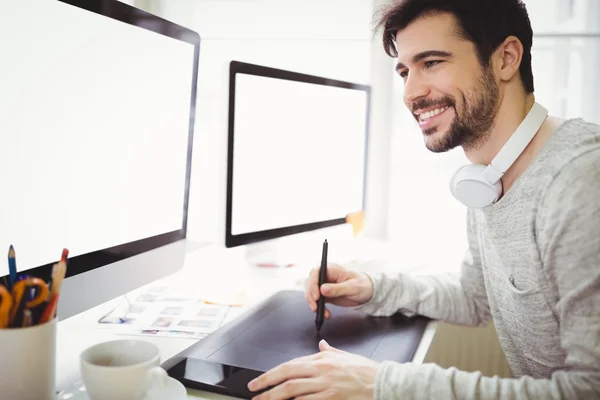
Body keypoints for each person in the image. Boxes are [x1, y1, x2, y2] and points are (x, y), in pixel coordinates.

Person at [247, 0, 600, 398]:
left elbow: (589, 390)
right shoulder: (491, 176)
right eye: (404, 71)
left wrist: (381, 384)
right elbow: (476, 296)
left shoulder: (581, 181)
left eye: (432, 62)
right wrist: (373, 288)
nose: (410, 93)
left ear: (506, 59)